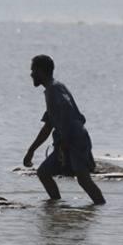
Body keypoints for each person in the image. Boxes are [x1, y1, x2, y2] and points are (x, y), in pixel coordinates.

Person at [23, 55, 106, 205]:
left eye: (33, 70)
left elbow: (67, 110)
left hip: (74, 140)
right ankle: (57, 208)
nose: (31, 74)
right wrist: (31, 150)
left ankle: (101, 207)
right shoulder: (53, 89)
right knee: (43, 173)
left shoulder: (54, 89)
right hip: (68, 139)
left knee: (83, 179)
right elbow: (48, 127)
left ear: (41, 71)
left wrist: (65, 141)